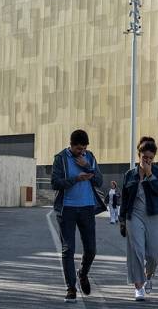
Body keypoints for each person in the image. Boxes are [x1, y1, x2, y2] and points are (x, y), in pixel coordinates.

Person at [51, 129, 106, 303]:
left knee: (91, 250)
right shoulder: (60, 158)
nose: (81, 151)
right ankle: (71, 288)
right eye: (78, 148)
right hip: (67, 209)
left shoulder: (89, 157)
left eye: (84, 148)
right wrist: (76, 179)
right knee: (68, 250)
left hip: (87, 208)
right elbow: (55, 183)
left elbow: (99, 181)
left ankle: (82, 274)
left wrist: (87, 166)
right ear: (71, 145)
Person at [119, 137, 158, 301]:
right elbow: (124, 199)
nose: (147, 160)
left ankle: (148, 276)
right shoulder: (129, 174)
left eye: (150, 158)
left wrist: (149, 175)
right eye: (144, 157)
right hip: (134, 216)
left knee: (154, 254)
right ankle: (138, 286)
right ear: (139, 155)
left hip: (153, 215)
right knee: (137, 251)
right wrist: (122, 220)